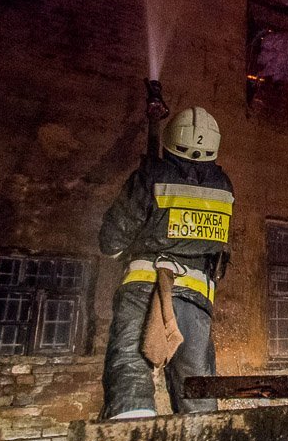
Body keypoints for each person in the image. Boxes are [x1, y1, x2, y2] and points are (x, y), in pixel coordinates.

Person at [98, 106, 234, 419]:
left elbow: (111, 242)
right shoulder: (224, 188)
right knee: (197, 383)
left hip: (144, 289)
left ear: (171, 140)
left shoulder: (151, 176)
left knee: (130, 368)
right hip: (197, 298)